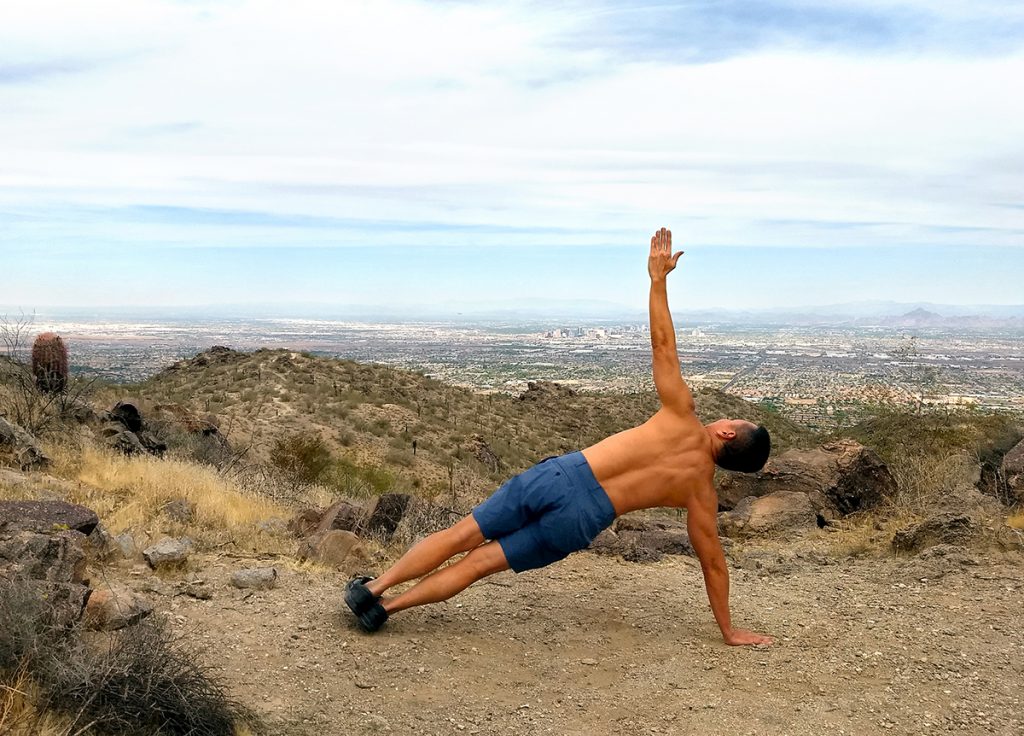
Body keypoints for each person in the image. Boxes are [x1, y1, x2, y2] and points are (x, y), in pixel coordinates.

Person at [345, 228, 773, 646]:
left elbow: (663, 345)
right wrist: (729, 631)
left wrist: (657, 281)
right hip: (582, 520)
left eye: (731, 417)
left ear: (727, 431)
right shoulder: (701, 494)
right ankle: (387, 610)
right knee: (478, 564)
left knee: (462, 535)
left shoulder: (681, 415)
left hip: (567, 475)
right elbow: (713, 563)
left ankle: (375, 588)